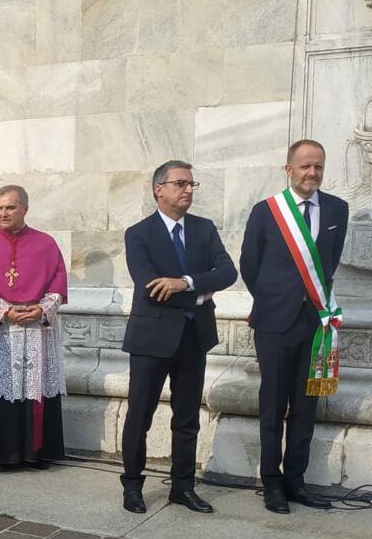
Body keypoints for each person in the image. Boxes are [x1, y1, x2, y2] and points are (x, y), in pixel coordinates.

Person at [120, 161, 238, 515]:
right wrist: (202, 291)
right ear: (159, 189)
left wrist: (184, 283)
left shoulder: (204, 229)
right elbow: (150, 286)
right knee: (140, 414)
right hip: (151, 339)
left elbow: (229, 272)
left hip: (193, 337)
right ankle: (132, 486)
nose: (188, 190)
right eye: (181, 183)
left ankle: (182, 487)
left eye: (191, 184)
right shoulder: (138, 234)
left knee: (187, 418)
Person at [240, 140, 349, 515]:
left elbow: (329, 262)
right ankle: (271, 482)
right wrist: (275, 300)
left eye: (318, 166)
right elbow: (249, 265)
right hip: (274, 324)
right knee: (273, 404)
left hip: (316, 325)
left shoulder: (338, 208)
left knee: (307, 405)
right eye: (305, 166)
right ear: (289, 168)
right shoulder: (267, 211)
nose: (312, 173)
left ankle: (295, 481)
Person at [0, 185, 67, 473]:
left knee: (34, 388)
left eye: (10, 207)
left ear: (25, 209)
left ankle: (34, 453)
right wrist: (4, 311)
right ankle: (1, 454)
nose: (3, 213)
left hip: (34, 327)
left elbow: (58, 281)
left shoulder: (46, 244)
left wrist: (41, 309)